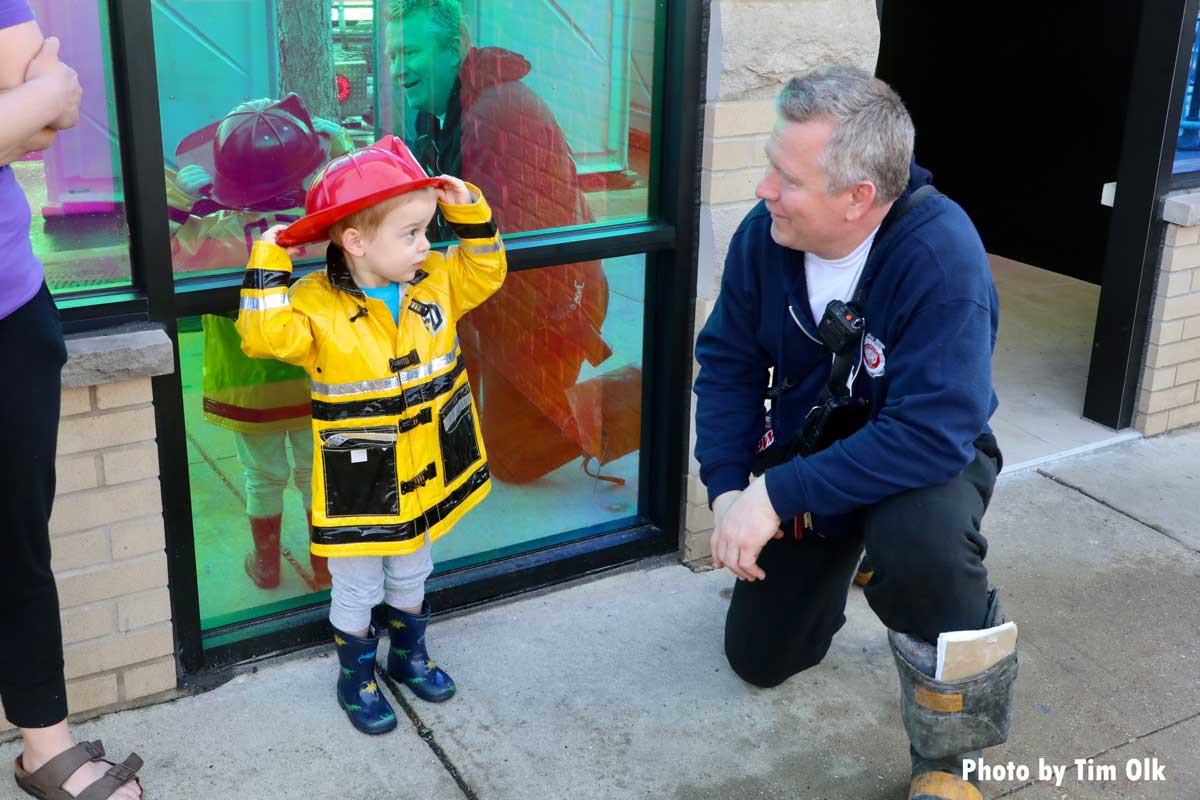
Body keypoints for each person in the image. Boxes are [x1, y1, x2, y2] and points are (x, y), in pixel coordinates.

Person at [693, 66, 1016, 800]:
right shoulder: (763, 239)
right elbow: (728, 365)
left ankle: (951, 761)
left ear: (857, 197)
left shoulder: (941, 257)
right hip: (817, 450)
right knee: (760, 659)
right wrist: (727, 489)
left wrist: (776, 494)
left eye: (786, 176)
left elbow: (933, 432)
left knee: (920, 549)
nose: (763, 189)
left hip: (927, 458)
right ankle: (845, 562)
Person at [236, 134, 505, 734]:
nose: (425, 244)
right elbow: (264, 337)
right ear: (355, 241)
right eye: (410, 233)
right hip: (360, 477)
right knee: (356, 586)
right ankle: (355, 676)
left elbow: (487, 269)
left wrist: (468, 210)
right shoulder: (313, 304)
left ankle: (408, 655)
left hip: (426, 462)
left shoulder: (437, 280)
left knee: (413, 570)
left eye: (427, 230)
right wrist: (269, 260)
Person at [385, 0, 643, 485]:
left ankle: (652, 394)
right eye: (394, 55)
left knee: (511, 456)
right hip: (519, 298)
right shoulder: (452, 110)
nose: (399, 68)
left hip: (548, 308)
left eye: (410, 52)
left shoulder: (495, 114)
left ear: (456, 47)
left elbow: (505, 247)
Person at [1, 4, 145, 798]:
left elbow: (52, 111)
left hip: (7, 310)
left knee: (15, 544)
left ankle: (42, 746)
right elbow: (37, 94)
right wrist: (30, 98)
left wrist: (31, 104)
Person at [167, 94, 356, 592]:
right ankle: (323, 567)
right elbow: (355, 182)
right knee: (319, 473)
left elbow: (164, 258)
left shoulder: (215, 231)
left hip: (247, 381)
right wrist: (334, 139)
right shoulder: (326, 221)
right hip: (318, 374)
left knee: (261, 473)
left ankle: (268, 565)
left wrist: (190, 202)